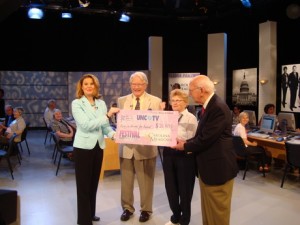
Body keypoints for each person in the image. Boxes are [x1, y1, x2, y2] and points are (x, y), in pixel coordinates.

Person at [172, 75, 239, 225]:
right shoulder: (210, 106)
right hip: (209, 170)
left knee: (217, 214)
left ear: (201, 90)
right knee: (209, 212)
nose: (189, 94)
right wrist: (186, 141)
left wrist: (184, 146)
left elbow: (205, 139)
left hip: (218, 171)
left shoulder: (218, 108)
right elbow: (203, 136)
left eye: (191, 90)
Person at [71, 74, 119, 225]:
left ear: (96, 86)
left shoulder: (101, 103)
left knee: (93, 184)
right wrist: (107, 115)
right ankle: (84, 220)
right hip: (83, 148)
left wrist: (115, 135)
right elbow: (86, 125)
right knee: (83, 186)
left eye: (92, 84)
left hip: (98, 147)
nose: (89, 86)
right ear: (81, 87)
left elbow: (105, 127)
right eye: (86, 84)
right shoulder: (77, 103)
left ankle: (91, 213)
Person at [117, 71, 163, 223]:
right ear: (130, 85)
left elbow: (159, 124)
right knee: (126, 181)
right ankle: (127, 208)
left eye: (139, 84)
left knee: (146, 182)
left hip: (146, 148)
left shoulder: (155, 101)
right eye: (133, 84)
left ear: (146, 85)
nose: (136, 87)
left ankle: (146, 210)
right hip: (126, 148)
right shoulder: (121, 100)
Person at [163, 89, 198, 225]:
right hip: (168, 154)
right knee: (170, 188)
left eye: (179, 100)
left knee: (185, 190)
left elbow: (193, 140)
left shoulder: (191, 118)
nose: (175, 103)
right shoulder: (167, 116)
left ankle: (185, 220)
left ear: (185, 102)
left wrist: (180, 142)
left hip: (184, 156)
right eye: (173, 100)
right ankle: (175, 216)